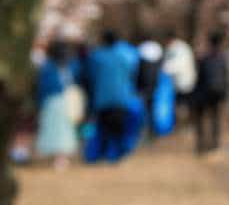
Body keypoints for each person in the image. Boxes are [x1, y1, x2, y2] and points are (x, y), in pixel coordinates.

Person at [86, 30, 141, 162]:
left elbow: (90, 76)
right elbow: (133, 74)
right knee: (118, 129)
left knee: (104, 129)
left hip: (102, 99)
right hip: (122, 98)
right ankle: (116, 155)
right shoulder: (125, 57)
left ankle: (102, 154)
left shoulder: (97, 57)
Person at [35, 40, 79, 169]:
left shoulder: (65, 66)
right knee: (58, 129)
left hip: (61, 101)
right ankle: (59, 157)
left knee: (61, 130)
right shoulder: (51, 67)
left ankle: (60, 157)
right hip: (57, 101)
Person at [193, 31, 228, 154]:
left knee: (201, 117)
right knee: (215, 117)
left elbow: (199, 77)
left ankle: (201, 143)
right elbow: (226, 76)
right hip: (219, 92)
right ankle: (215, 143)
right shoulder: (224, 58)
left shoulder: (204, 58)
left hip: (204, 92)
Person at [163, 30, 197, 118]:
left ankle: (183, 124)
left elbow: (175, 64)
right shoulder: (176, 48)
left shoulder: (179, 49)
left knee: (182, 106)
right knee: (179, 106)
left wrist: (162, 69)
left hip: (184, 83)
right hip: (179, 83)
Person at [136, 36, 163, 138]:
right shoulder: (157, 48)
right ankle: (152, 131)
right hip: (154, 84)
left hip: (144, 85)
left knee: (146, 109)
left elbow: (139, 69)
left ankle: (147, 131)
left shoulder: (141, 49)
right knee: (152, 108)